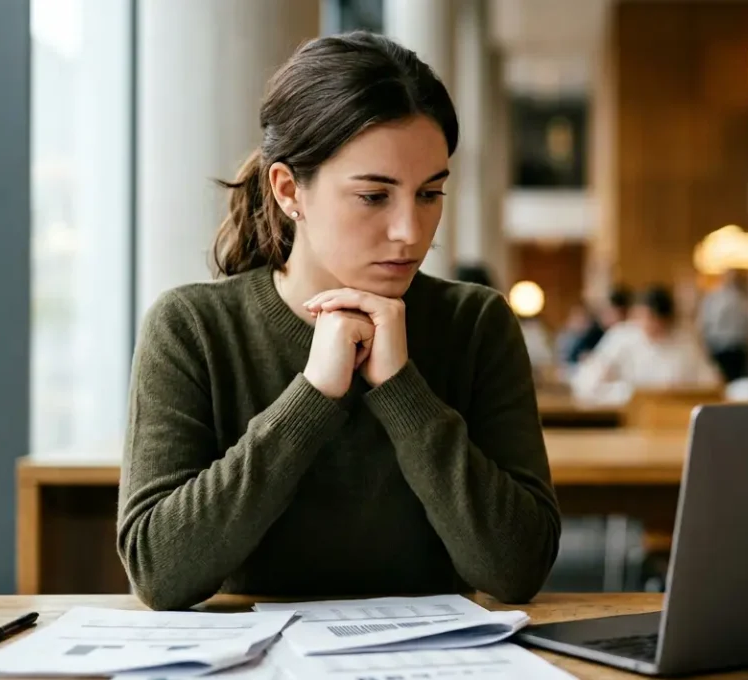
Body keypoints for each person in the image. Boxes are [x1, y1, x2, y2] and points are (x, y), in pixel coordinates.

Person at [117, 31, 560, 611]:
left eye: (429, 194)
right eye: (374, 196)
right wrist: (312, 396)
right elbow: (159, 572)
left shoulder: (476, 323)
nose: (410, 232)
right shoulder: (191, 328)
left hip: (431, 656)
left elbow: (516, 569)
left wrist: (402, 390)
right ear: (288, 190)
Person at [570, 285, 722, 404]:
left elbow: (711, 383)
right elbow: (587, 382)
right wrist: (622, 390)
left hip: (674, 412)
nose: (645, 324)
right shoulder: (621, 337)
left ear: (666, 319)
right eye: (641, 317)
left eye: (651, 318)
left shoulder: (685, 343)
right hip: (626, 414)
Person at [696, 269, 748, 382]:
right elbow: (705, 322)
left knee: (737, 382)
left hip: (738, 347)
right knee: (722, 379)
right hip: (719, 347)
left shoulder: (741, 297)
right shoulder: (713, 297)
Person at [564, 286, 631, 365]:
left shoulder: (625, 333)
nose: (604, 316)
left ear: (620, 312)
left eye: (609, 312)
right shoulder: (597, 332)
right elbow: (576, 354)